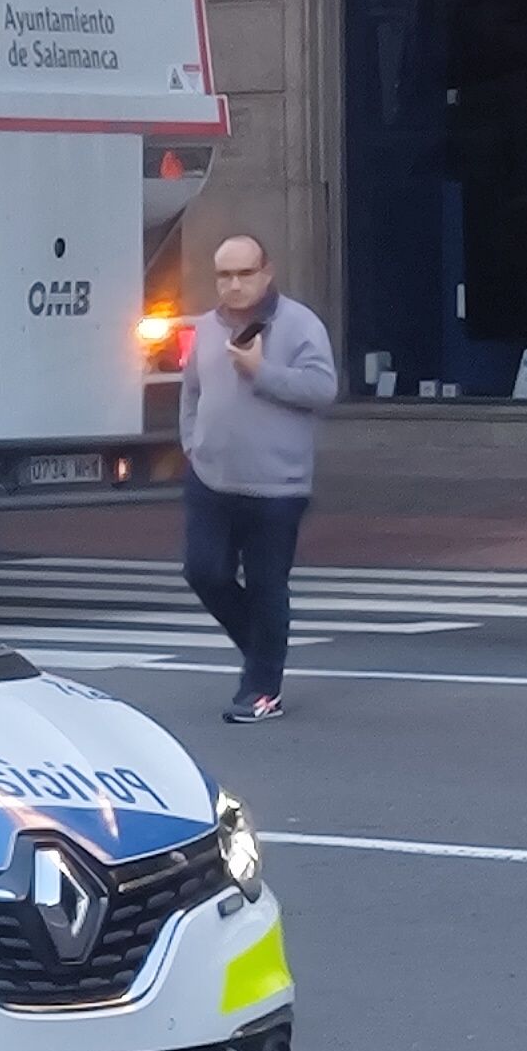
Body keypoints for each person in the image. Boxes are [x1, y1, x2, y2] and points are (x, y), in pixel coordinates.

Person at [179, 233, 339, 722]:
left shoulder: (298, 325)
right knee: (205, 572)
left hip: (277, 485)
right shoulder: (206, 328)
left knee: (269, 584)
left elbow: (322, 389)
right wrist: (192, 443)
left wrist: (261, 371)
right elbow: (191, 392)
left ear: (266, 273)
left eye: (244, 273)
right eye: (224, 275)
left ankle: (262, 689)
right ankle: (263, 654)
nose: (233, 285)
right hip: (211, 476)